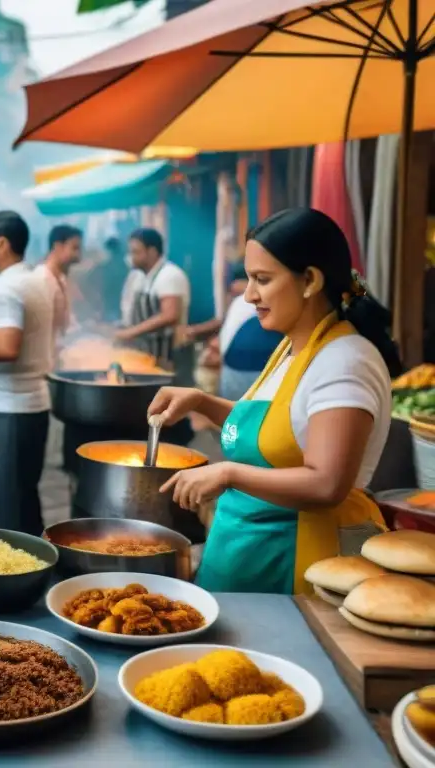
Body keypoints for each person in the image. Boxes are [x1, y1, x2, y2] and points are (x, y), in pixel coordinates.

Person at [150, 208, 400, 595]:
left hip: (297, 565)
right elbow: (277, 433)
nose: (249, 295)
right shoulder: (291, 347)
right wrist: (202, 401)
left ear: (310, 280)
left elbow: (326, 483)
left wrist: (228, 473)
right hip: (248, 553)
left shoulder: (344, 362)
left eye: (261, 280)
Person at [0, 211, 55, 536]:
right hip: (31, 407)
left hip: (7, 410)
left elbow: (7, 346)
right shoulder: (34, 279)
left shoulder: (7, 287)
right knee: (23, 505)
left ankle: (1, 583)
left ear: (2, 244)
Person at [117, 228, 194, 387]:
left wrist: (129, 333)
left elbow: (170, 315)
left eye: (136, 252)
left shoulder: (169, 275)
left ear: (151, 252)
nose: (131, 258)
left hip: (170, 355)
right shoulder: (141, 276)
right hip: (149, 354)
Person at [34, 224, 83, 344]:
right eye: (74, 248)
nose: (78, 256)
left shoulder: (61, 280)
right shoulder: (41, 279)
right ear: (57, 247)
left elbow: (65, 324)